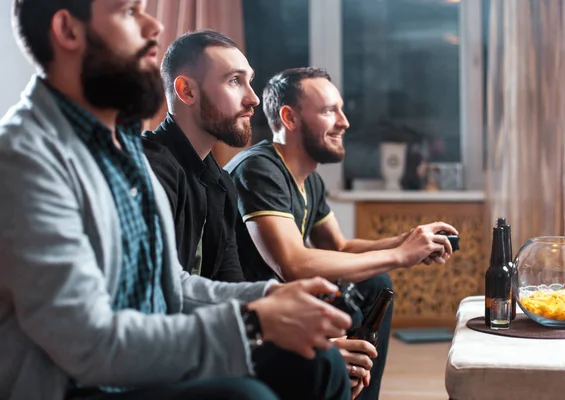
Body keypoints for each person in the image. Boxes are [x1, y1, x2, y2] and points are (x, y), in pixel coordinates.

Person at [0, 2, 352, 400]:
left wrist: (269, 297)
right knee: (244, 397)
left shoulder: (124, 144)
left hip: (142, 364)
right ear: (68, 30)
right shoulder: (24, 160)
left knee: (319, 362)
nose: (155, 24)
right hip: (82, 386)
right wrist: (253, 325)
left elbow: (171, 286)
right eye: (130, 12)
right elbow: (88, 343)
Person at [142, 30, 376, 400]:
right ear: (186, 91)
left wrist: (306, 327)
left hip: (212, 331)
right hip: (166, 347)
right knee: (322, 361)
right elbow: (163, 300)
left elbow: (233, 285)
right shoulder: (151, 169)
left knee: (332, 349)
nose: (252, 99)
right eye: (235, 81)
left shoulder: (220, 182)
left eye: (249, 81)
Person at [224, 67, 459, 399]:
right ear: (289, 118)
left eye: (341, 109)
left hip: (287, 297)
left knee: (375, 284)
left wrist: (410, 240)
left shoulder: (310, 180)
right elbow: (292, 263)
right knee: (371, 283)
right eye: (328, 111)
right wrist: (399, 256)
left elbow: (339, 245)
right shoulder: (260, 169)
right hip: (253, 314)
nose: (344, 122)